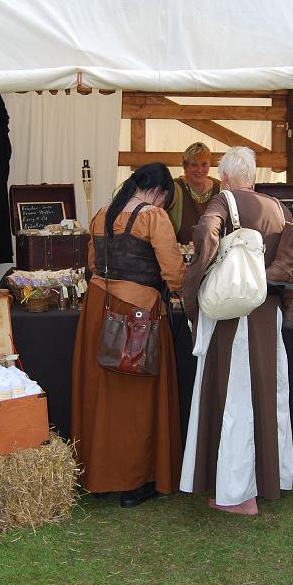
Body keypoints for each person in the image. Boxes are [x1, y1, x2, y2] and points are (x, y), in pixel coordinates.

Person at [180, 146, 293, 516]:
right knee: (266, 395)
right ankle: (269, 480)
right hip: (267, 314)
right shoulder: (277, 207)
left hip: (233, 315)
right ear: (254, 177)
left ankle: (239, 494)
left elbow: (205, 233)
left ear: (225, 178)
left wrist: (197, 282)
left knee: (235, 399)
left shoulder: (220, 202)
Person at [71, 162, 185, 508]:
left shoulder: (102, 214)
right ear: (160, 192)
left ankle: (100, 476)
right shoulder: (153, 216)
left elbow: (93, 265)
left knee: (101, 396)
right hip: (137, 316)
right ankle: (136, 479)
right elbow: (175, 274)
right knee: (136, 400)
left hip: (97, 309)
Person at [168, 142, 222, 244]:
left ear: (210, 164)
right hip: (181, 255)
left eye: (204, 164)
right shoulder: (174, 187)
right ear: (185, 166)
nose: (199, 170)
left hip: (213, 255)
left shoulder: (219, 188)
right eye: (194, 165)